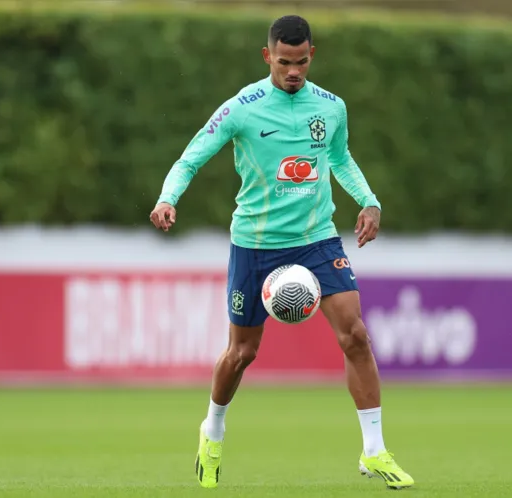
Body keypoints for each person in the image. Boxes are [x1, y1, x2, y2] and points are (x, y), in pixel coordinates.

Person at [150, 14, 414, 490]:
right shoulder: (241, 109)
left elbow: (340, 158)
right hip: (256, 244)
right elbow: (191, 157)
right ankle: (213, 429)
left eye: (303, 62)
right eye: (285, 62)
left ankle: (374, 450)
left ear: (313, 56)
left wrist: (369, 201)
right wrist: (169, 197)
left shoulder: (331, 107)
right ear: (267, 56)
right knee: (242, 353)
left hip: (317, 238)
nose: (294, 71)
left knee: (355, 334)